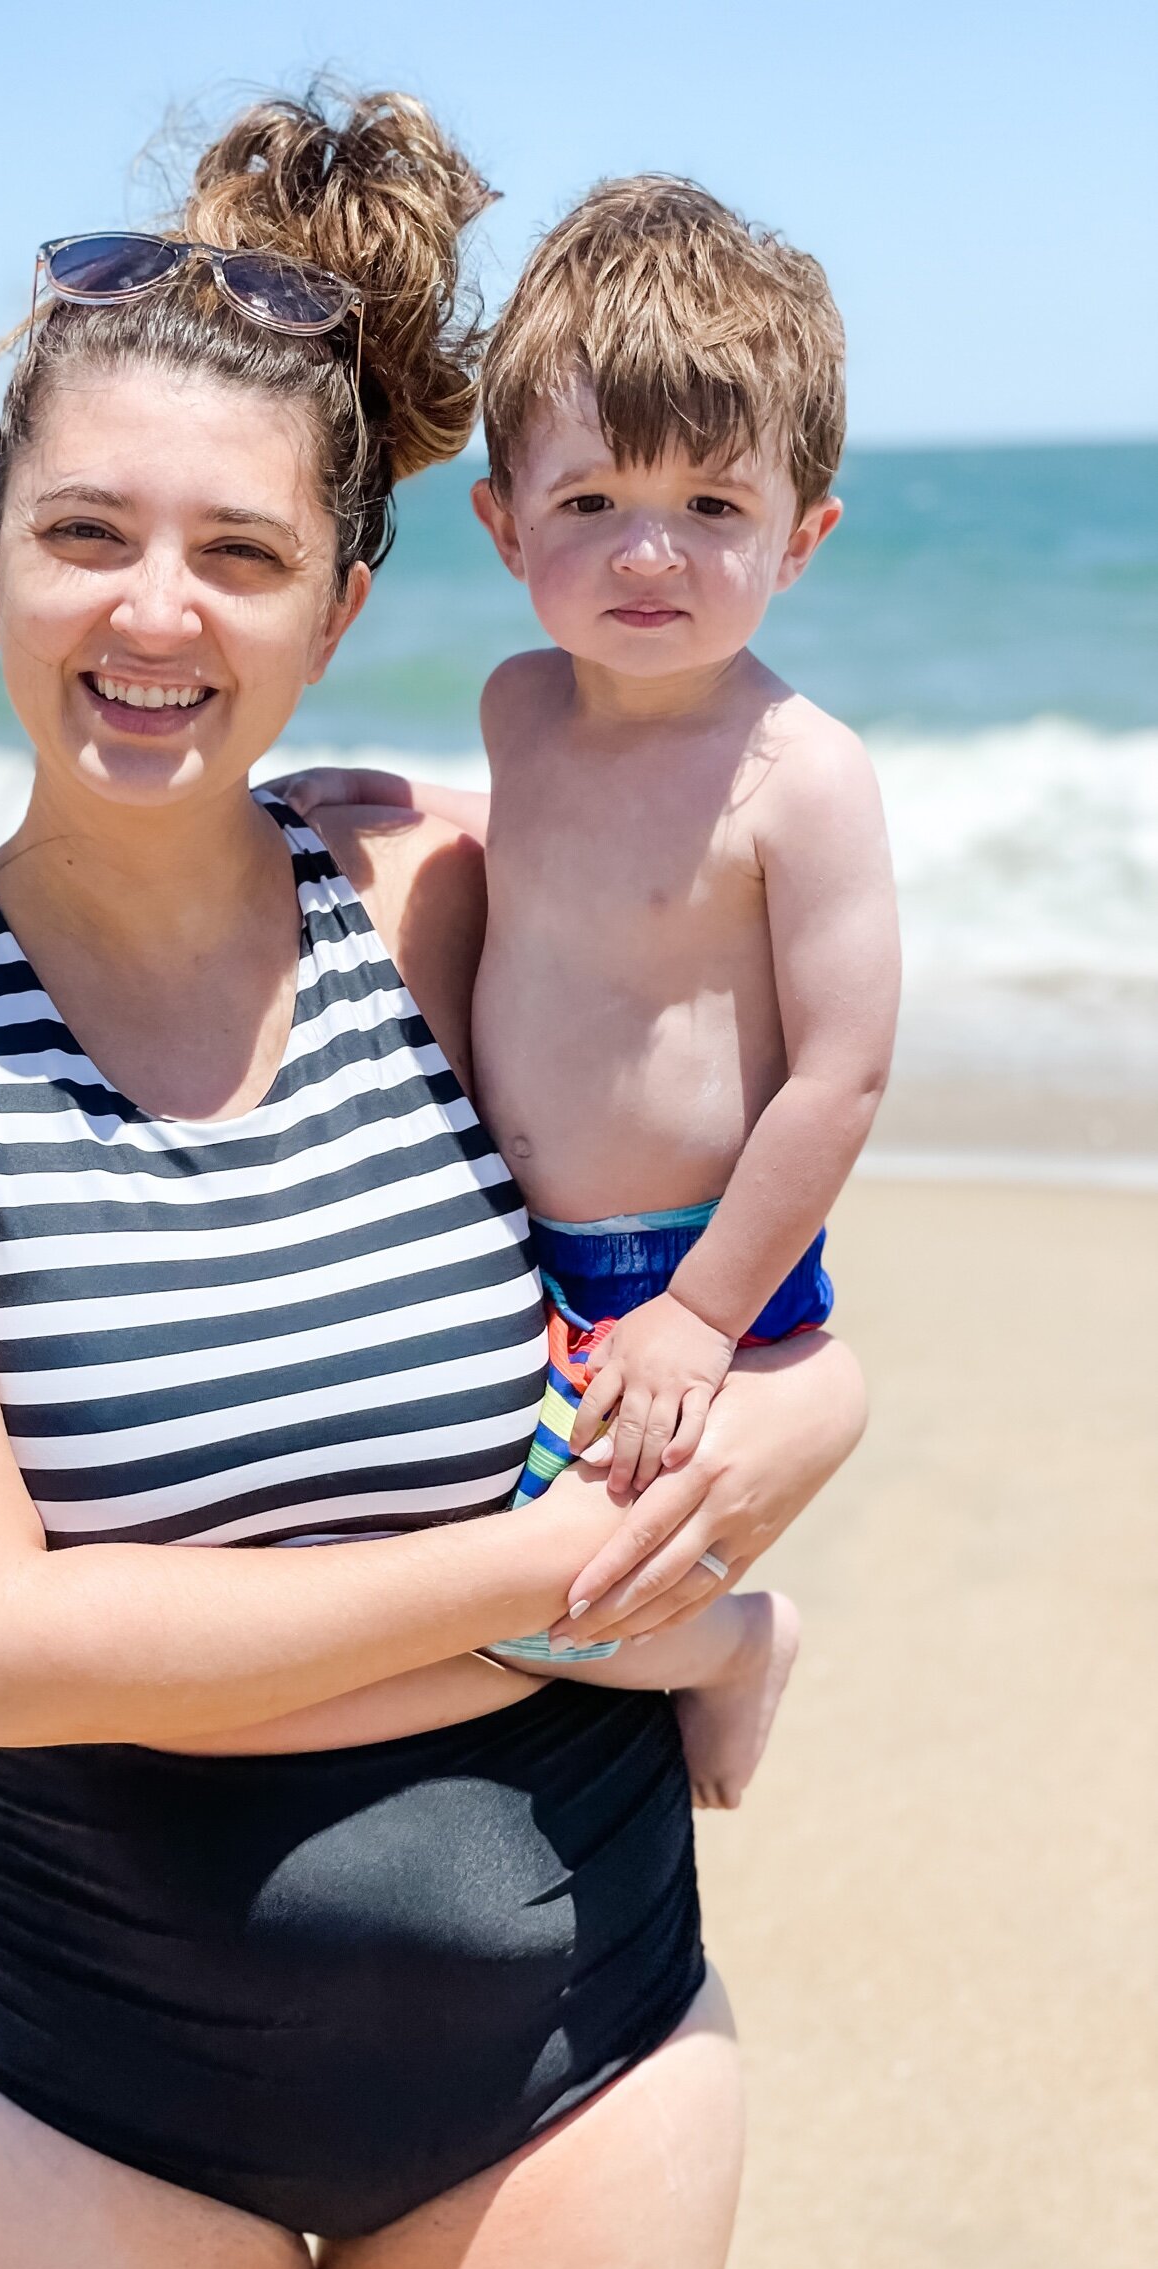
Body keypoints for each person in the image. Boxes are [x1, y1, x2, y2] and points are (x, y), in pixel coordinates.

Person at [0, 87, 867, 2269]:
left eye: (237, 553)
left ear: (338, 605)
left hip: (574, 2044)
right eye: (86, 536)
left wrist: (756, 1501)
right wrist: (637, 1619)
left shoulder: (431, 891)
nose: (155, 612)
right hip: (95, 2080)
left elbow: (765, 1344)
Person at [290, 177, 900, 1806]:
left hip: (696, 1273)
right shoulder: (521, 711)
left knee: (545, 1609)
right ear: (504, 524)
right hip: (521, 1251)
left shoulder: (803, 773)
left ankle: (738, 1644)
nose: (652, 553)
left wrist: (703, 1318)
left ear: (802, 532)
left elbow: (840, 1074)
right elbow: (570, 871)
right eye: (592, 505)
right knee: (428, 1551)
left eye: (712, 506)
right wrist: (384, 813)